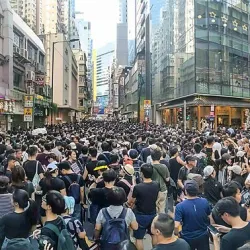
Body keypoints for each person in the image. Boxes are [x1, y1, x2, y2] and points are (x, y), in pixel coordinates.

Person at [128, 164, 160, 250]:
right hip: (153, 213)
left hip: (140, 215)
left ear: (141, 173)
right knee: (154, 234)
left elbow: (132, 201)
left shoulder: (138, 187)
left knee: (139, 238)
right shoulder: (156, 184)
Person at [174, 180, 211, 250]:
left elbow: (176, 225)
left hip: (187, 236)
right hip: (203, 235)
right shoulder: (205, 201)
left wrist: (177, 233)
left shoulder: (180, 206)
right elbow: (210, 217)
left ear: (186, 191)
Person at [151, 148, 170, 213]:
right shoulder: (164, 166)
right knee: (162, 207)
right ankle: (161, 221)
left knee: (153, 207)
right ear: (160, 157)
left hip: (152, 190)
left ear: (151, 157)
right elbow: (167, 179)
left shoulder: (149, 166)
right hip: (162, 189)